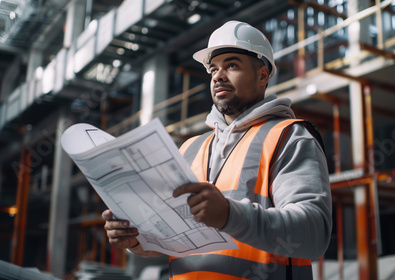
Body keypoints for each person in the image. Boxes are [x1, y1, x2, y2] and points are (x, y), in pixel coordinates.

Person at [102, 20, 332, 279]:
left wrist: (230, 215)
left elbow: (314, 234)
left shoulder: (289, 136)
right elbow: (174, 237)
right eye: (213, 69)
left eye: (232, 65)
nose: (218, 76)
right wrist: (137, 240)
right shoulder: (190, 148)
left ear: (262, 75)